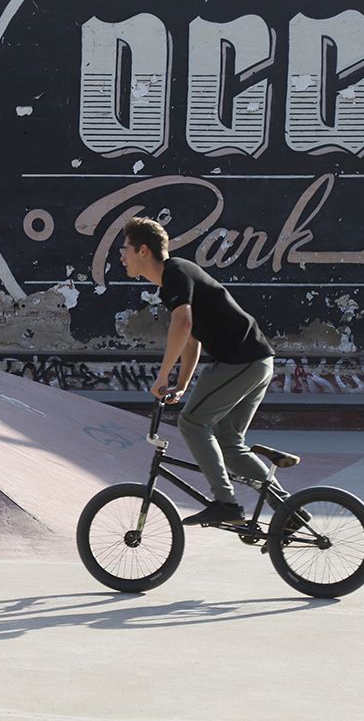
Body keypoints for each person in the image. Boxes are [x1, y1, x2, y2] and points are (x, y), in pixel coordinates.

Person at [119, 216, 295, 526]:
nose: (122, 256)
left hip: (240, 361)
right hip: (256, 362)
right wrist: (182, 383)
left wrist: (162, 376)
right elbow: (192, 341)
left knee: (191, 423)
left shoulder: (175, 272)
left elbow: (182, 324)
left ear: (143, 251)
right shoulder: (173, 280)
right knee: (229, 442)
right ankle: (289, 512)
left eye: (126, 249)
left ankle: (225, 502)